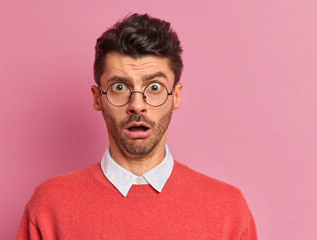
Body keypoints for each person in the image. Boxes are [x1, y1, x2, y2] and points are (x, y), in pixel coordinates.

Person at [16, 13, 257, 239]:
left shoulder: (228, 210)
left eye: (154, 87)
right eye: (119, 87)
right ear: (98, 98)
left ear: (176, 96)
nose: (137, 105)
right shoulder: (49, 206)